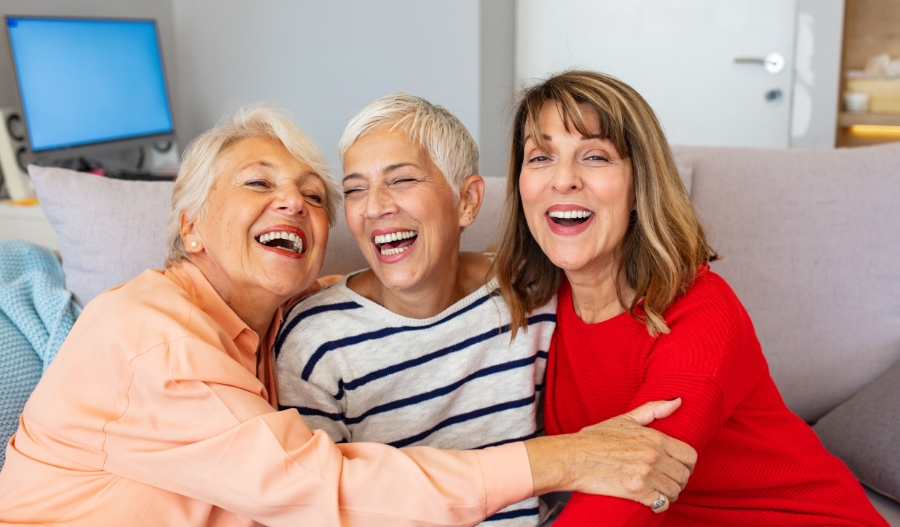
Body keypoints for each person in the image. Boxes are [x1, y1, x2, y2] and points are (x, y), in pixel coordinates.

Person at [0, 105, 697, 527]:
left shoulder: (265, 322)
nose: (295, 206)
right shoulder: (154, 341)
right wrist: (564, 458)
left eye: (312, 196)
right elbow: (324, 489)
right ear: (192, 228)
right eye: (258, 184)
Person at [494, 69, 888, 527]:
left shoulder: (702, 311)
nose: (563, 180)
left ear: (641, 185)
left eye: (595, 156)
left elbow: (630, 489)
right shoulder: (534, 301)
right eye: (541, 157)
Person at [276, 93, 557, 526]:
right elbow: (315, 506)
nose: (374, 207)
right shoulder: (316, 341)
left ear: (467, 201)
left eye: (402, 180)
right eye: (354, 189)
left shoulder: (531, 293)